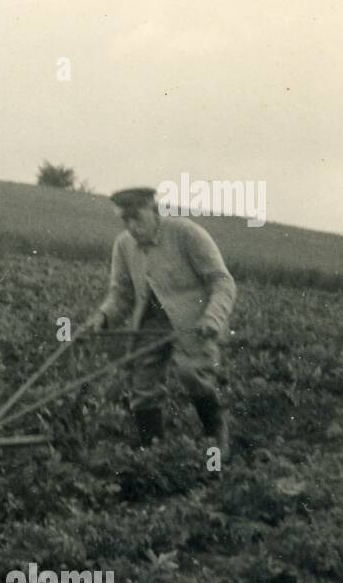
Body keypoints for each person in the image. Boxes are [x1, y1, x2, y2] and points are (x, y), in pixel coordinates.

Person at [83, 187, 237, 455]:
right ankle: (151, 448)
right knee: (142, 384)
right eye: (126, 221)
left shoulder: (186, 234)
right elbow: (121, 294)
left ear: (154, 212)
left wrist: (213, 317)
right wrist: (103, 317)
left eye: (137, 219)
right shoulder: (124, 245)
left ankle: (216, 435)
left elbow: (222, 281)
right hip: (151, 321)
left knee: (192, 373)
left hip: (194, 320)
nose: (132, 227)